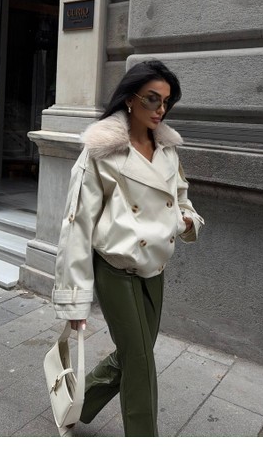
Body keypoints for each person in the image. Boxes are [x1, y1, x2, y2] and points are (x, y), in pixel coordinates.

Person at [52, 59, 204, 437]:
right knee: (140, 363)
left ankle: (78, 402)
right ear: (130, 99)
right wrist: (75, 302)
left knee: (134, 354)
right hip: (115, 270)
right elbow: (77, 225)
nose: (160, 109)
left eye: (166, 101)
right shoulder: (101, 152)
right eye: (152, 99)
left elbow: (182, 200)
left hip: (155, 269)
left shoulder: (167, 149)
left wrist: (187, 221)